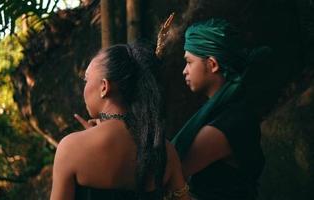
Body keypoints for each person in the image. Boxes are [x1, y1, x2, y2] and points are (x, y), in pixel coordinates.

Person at [50, 43, 190, 200]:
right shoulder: (165, 151)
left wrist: (89, 138)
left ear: (104, 87)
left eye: (86, 79)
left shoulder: (71, 149)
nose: (84, 86)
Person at [171, 18, 266, 200]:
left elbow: (170, 171)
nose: (184, 70)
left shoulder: (228, 123)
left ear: (213, 64)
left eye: (189, 62)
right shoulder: (229, 111)